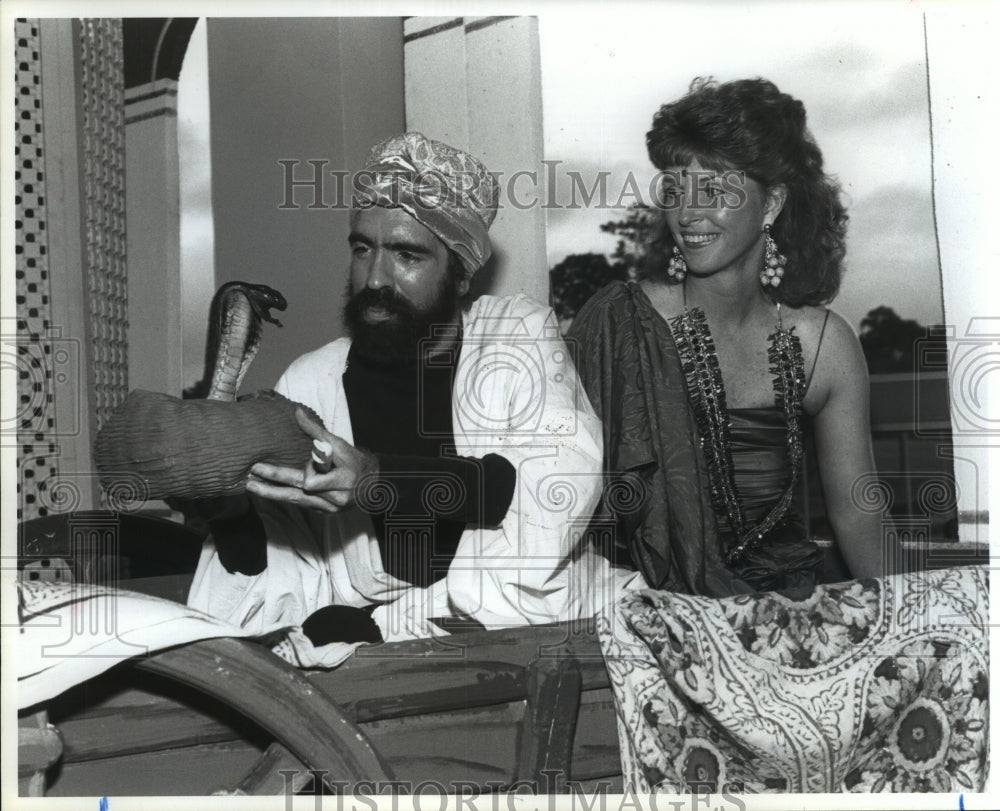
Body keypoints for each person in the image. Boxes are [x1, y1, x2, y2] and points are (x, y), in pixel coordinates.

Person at [188, 132, 632, 666]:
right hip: (369, 649)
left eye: (407, 254)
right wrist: (229, 513)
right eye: (362, 248)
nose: (375, 277)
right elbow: (284, 573)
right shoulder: (311, 383)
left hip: (548, 633)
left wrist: (376, 480)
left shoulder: (516, 338)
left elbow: (550, 492)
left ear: (462, 275)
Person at [569, 78, 886, 598]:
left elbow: (858, 515)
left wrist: (919, 632)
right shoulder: (619, 325)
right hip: (647, 618)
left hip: (787, 625)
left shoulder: (824, 344)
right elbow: (571, 513)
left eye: (714, 191)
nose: (687, 214)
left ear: (771, 204)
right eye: (675, 189)